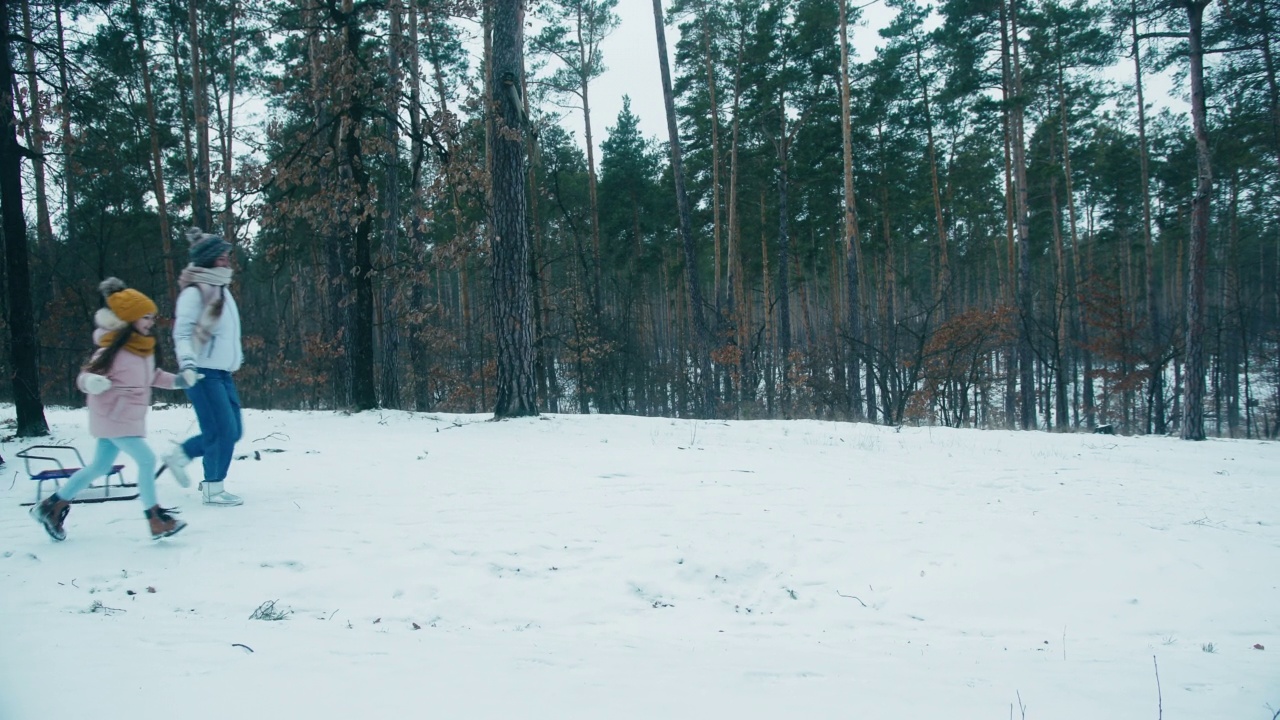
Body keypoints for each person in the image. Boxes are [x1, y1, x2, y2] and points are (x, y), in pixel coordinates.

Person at [30, 278, 198, 541]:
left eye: (152, 317)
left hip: (125, 418)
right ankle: (154, 518)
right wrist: (93, 383)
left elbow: (152, 377)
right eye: (145, 317)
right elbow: (84, 378)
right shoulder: (111, 351)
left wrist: (179, 380)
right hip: (113, 416)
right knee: (146, 459)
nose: (150, 322)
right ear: (129, 318)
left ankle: (51, 506)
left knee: (98, 467)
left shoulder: (143, 350)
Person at [163, 227, 246, 506]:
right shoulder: (195, 292)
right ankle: (213, 487)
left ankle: (181, 456)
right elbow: (182, 333)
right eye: (222, 257)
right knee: (222, 432)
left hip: (222, 373)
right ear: (208, 260)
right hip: (201, 373)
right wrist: (187, 364)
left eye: (226, 257)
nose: (227, 261)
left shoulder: (221, 288)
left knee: (232, 432)